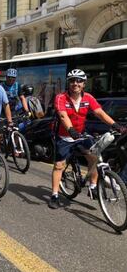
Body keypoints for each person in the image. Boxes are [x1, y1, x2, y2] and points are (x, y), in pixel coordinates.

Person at [48, 69, 127, 209]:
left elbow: (99, 113)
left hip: (81, 135)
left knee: (94, 158)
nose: (75, 83)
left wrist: (115, 125)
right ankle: (54, 195)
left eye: (79, 80)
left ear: (84, 83)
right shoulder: (61, 97)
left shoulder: (88, 98)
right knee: (59, 165)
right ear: (69, 83)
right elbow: (62, 115)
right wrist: (70, 129)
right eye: (72, 80)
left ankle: (93, 186)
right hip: (64, 136)